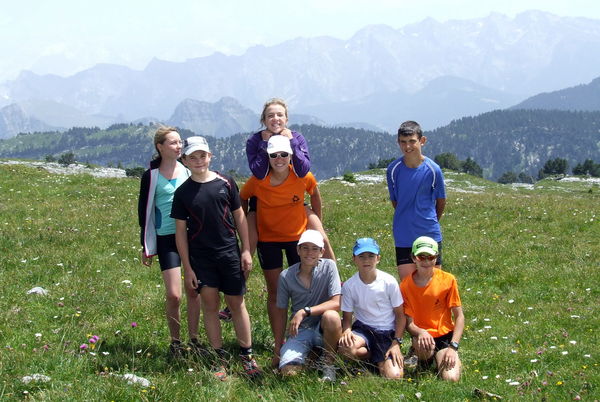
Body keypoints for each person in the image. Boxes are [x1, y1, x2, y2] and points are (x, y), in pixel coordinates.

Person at [171, 136, 261, 380]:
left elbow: (240, 216)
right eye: (192, 157)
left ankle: (247, 355)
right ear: (185, 160)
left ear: (210, 156)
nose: (198, 160)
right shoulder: (182, 193)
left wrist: (245, 250)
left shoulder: (226, 182)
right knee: (210, 306)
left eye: (202, 155)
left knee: (236, 303)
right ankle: (218, 356)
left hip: (229, 254)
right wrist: (187, 268)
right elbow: (180, 233)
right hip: (201, 259)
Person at [240, 135, 323, 350]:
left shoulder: (302, 177)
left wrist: (317, 220)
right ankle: (279, 343)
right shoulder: (258, 181)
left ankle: (305, 338)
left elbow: (314, 194)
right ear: (267, 157)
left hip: (297, 240)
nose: (279, 159)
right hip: (268, 241)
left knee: (305, 289)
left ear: (291, 156)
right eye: (273, 155)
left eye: (284, 155)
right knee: (275, 292)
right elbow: (242, 196)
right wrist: (246, 217)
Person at [137, 125, 201, 357]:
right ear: (160, 147)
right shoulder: (151, 177)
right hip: (166, 239)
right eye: (173, 143)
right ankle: (176, 342)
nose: (178, 146)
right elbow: (144, 211)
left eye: (179, 142)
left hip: (191, 236)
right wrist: (145, 246)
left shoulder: (187, 170)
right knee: (174, 294)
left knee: (194, 290)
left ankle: (194, 340)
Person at [274, 230, 342, 381]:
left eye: (315, 248)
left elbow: (336, 302)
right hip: (300, 331)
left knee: (332, 316)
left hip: (324, 328)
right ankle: (314, 355)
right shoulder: (286, 276)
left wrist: (305, 311)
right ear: (298, 250)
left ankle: (328, 364)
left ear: (322, 252)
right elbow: (281, 312)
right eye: (305, 247)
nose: (309, 252)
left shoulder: (329, 267)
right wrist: (277, 348)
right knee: (289, 373)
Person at [386, 120, 446, 280]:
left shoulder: (433, 170)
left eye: (412, 141)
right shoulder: (393, 169)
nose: (407, 147)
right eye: (403, 142)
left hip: (429, 232)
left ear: (422, 141)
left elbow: (441, 200)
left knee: (434, 285)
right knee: (407, 286)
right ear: (398, 142)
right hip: (403, 233)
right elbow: (396, 201)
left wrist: (431, 220)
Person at [338, 238, 405, 379]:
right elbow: (347, 317)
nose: (366, 260)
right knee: (346, 348)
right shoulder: (350, 285)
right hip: (364, 328)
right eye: (361, 256)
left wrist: (396, 342)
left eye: (371, 256)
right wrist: (347, 330)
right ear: (354, 259)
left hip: (386, 331)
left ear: (378, 258)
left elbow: (400, 315)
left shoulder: (389, 282)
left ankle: (380, 359)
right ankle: (372, 356)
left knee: (394, 376)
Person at [400, 236, 464, 382]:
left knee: (451, 378)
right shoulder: (405, 285)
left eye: (431, 257)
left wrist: (453, 347)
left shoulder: (448, 280)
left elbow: (459, 317)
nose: (426, 262)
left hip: (445, 336)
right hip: (422, 337)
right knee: (423, 345)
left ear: (436, 257)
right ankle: (424, 361)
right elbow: (409, 323)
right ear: (413, 258)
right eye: (421, 257)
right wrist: (421, 332)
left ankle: (443, 357)